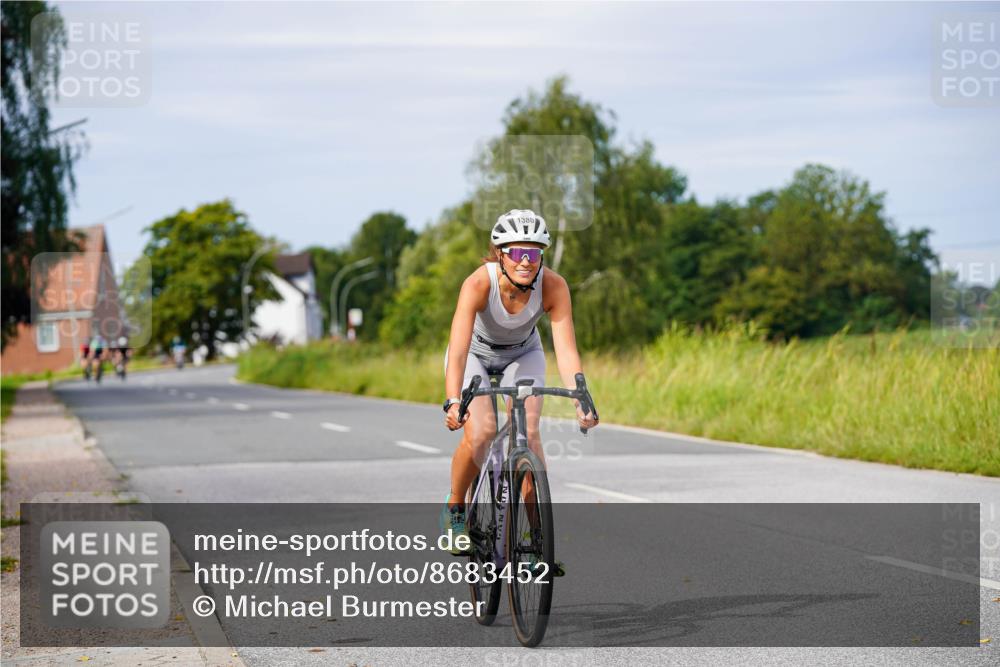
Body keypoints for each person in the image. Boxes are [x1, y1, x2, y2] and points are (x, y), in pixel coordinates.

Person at [441, 209, 599, 564]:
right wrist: (453, 400)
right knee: (481, 432)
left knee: (527, 431)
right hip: (475, 356)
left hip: (523, 354)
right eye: (517, 253)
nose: (526, 262)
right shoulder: (479, 284)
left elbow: (567, 349)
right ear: (500, 254)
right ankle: (454, 509)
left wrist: (581, 398)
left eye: (534, 253)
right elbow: (459, 348)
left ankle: (533, 536)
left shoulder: (554, 286)